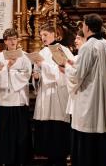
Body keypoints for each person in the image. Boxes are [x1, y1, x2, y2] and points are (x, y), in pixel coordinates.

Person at [65, 14, 106, 166]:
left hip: (89, 102)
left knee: (87, 147)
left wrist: (67, 68)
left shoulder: (88, 46)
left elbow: (78, 75)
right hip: (104, 102)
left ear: (87, 27)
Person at [31, 23, 74, 166]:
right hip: (45, 93)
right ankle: (49, 156)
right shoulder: (42, 52)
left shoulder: (63, 50)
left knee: (58, 126)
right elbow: (38, 72)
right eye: (41, 35)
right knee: (46, 126)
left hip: (58, 93)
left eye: (45, 35)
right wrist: (36, 76)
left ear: (54, 34)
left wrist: (44, 65)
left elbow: (65, 70)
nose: (42, 38)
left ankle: (60, 157)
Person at [0, 28, 32, 165]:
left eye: (14, 38)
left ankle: (20, 159)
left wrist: (10, 72)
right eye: (9, 39)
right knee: (4, 133)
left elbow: (27, 75)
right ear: (5, 41)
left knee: (20, 133)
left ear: (17, 39)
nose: (12, 41)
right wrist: (8, 68)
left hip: (19, 99)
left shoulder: (25, 56)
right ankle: (3, 158)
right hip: (4, 99)